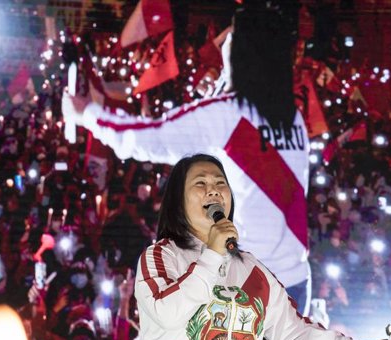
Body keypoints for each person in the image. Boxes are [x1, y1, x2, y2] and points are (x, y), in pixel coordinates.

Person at [130, 154, 391, 340]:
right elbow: (167, 311)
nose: (213, 190)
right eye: (200, 184)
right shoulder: (161, 256)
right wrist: (212, 255)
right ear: (177, 200)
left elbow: (295, 333)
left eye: (220, 184)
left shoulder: (252, 270)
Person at [63, 2, 312, 312]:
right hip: (295, 285)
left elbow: (149, 137)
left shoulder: (226, 115)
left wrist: (86, 113)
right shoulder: (293, 119)